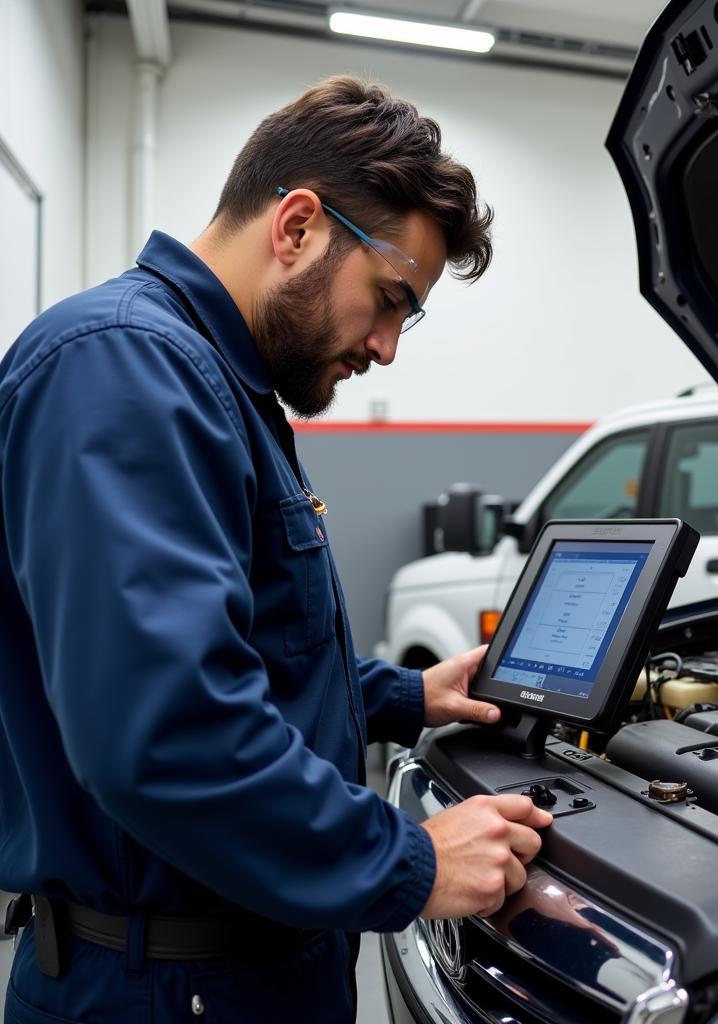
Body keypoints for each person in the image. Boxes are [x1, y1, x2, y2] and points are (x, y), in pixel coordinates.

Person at [0, 76, 552, 1023]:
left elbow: (237, 642)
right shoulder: (126, 367)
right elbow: (167, 737)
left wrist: (400, 696)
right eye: (389, 299)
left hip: (233, 972)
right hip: (165, 989)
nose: (386, 348)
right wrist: (411, 859)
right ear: (297, 225)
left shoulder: (215, 382)